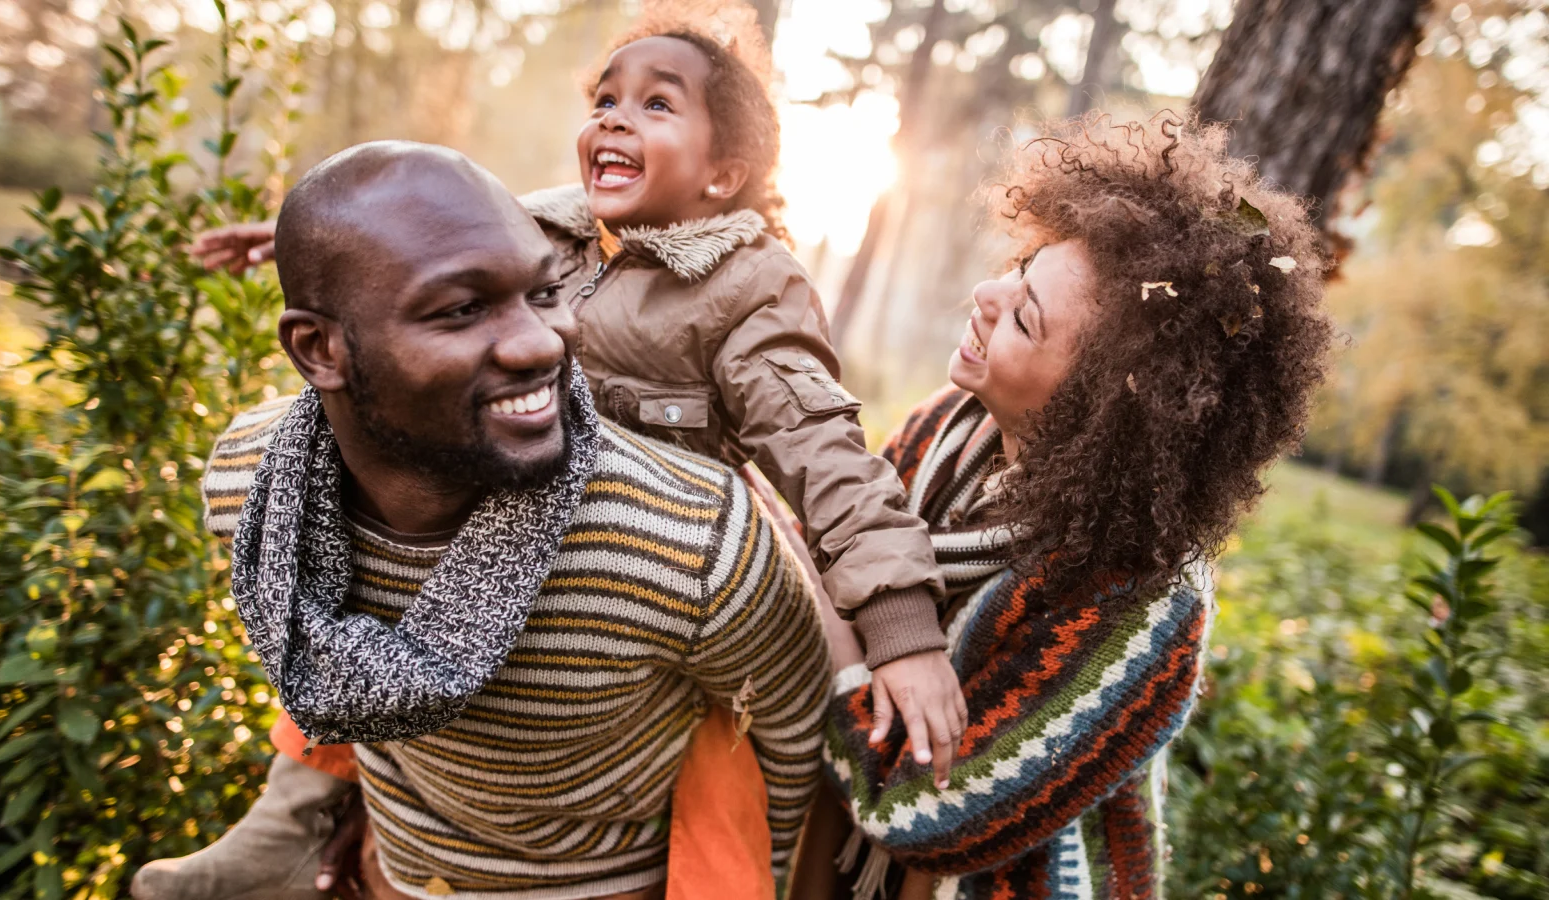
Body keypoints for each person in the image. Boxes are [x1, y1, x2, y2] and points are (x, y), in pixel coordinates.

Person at [134, 141, 830, 900]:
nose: (541, 343)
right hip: (391, 873)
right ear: (319, 348)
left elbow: (790, 747)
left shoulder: (691, 543)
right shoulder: (253, 482)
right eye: (462, 309)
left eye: (543, 293)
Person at [796, 114, 1334, 899]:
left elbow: (925, 818)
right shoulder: (946, 428)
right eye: (1022, 268)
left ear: (1099, 408)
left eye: (1024, 317)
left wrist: (851, 631)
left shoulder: (1143, 604)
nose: (985, 295)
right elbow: (832, 536)